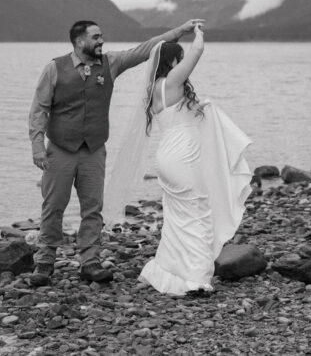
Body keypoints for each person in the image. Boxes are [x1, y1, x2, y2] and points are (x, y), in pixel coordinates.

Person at [28, 18, 204, 287]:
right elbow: (40, 109)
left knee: (93, 208)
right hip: (60, 150)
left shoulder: (111, 63)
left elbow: (146, 49)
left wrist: (180, 31)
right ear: (79, 41)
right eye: (95, 37)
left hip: (94, 150)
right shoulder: (54, 68)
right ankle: (44, 263)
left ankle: (90, 263)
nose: (101, 40)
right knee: (53, 207)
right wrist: (38, 146)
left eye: (101, 36)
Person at [108, 22, 252, 296]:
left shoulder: (156, 89)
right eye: (180, 59)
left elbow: (178, 116)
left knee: (178, 217)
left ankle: (167, 271)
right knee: (198, 213)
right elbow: (197, 52)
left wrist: (199, 109)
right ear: (172, 61)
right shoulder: (173, 82)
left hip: (168, 157)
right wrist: (197, 33)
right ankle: (196, 279)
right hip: (182, 157)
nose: (183, 63)